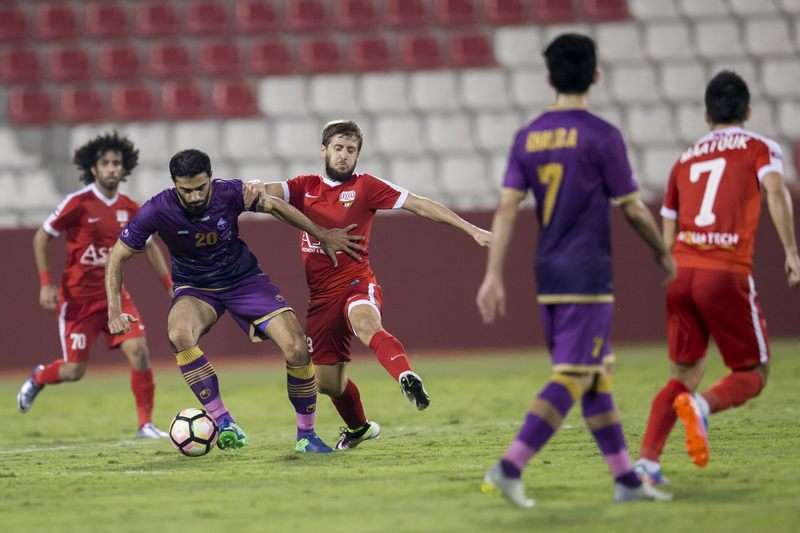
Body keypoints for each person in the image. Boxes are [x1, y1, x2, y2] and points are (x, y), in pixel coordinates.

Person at [475, 34, 675, 508]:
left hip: (547, 271)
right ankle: (510, 467)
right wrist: (663, 253)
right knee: (573, 374)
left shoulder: (529, 136)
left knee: (594, 375)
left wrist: (493, 274)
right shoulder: (602, 135)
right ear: (596, 75)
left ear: (549, 78)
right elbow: (631, 209)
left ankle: (626, 480)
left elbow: (506, 209)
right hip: (587, 272)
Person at [105, 148, 364, 453]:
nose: (194, 196)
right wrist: (114, 309)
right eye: (185, 190)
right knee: (178, 334)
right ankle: (224, 421)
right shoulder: (156, 209)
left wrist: (321, 233)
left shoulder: (229, 193)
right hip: (196, 288)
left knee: (296, 346)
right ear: (174, 184)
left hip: (245, 281)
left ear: (211, 179)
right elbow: (117, 256)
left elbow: (275, 206)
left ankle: (306, 436)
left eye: (200, 187)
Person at [252, 120, 491, 450]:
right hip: (321, 299)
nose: (344, 156)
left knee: (366, 322)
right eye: (338, 148)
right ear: (324, 150)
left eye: (351, 150)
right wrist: (249, 187)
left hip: (356, 283)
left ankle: (406, 375)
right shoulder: (304, 186)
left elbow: (420, 204)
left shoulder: (366, 187)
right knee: (328, 385)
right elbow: (267, 191)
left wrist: (472, 230)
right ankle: (359, 428)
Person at [635, 71, 800, 483]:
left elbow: (666, 234)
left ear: (706, 114)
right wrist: (792, 251)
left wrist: (674, 276)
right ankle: (703, 407)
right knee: (753, 373)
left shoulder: (685, 160)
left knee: (682, 375)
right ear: (747, 110)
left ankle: (647, 465)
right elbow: (775, 191)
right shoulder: (760, 148)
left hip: (681, 272)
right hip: (724, 272)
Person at [16, 131, 172, 439]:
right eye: (106, 163)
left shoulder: (130, 207)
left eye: (117, 163)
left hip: (116, 298)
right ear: (94, 168)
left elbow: (151, 246)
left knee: (139, 351)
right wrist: (46, 284)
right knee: (74, 371)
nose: (112, 168)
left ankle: (146, 424)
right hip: (78, 303)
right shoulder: (78, 203)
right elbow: (42, 237)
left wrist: (169, 283)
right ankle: (39, 377)